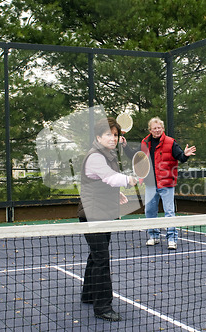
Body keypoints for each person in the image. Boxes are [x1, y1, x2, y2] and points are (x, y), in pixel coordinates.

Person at [77, 117, 137, 322]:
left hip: (103, 212)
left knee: (96, 256)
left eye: (115, 134)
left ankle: (88, 295)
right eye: (108, 134)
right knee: (102, 259)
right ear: (98, 136)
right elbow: (109, 177)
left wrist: (116, 193)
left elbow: (104, 181)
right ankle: (102, 307)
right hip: (93, 214)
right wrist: (131, 180)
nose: (113, 138)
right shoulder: (95, 156)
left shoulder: (107, 154)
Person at [126, 117, 196, 250]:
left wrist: (185, 154)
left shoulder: (171, 142)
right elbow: (134, 156)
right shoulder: (144, 143)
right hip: (150, 183)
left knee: (169, 212)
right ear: (150, 130)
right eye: (154, 128)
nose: (157, 130)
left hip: (167, 183)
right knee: (150, 211)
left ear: (162, 129)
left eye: (159, 128)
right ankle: (154, 236)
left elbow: (180, 157)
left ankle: (172, 239)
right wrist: (124, 146)